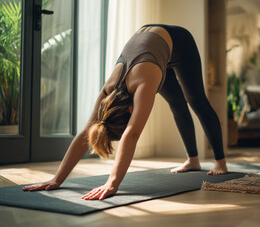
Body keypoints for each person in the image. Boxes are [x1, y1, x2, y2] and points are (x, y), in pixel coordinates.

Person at [22, 24, 228, 200]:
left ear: (130, 109)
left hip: (179, 41)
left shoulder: (143, 84)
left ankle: (220, 161)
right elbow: (86, 133)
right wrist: (56, 179)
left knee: (195, 100)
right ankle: (193, 160)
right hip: (153, 46)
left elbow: (132, 133)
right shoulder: (108, 91)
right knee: (176, 102)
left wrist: (112, 183)